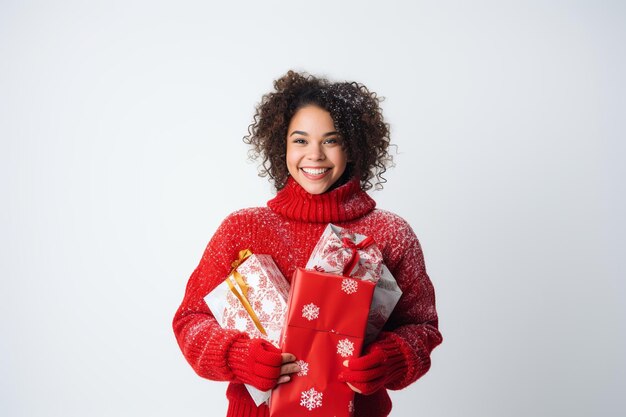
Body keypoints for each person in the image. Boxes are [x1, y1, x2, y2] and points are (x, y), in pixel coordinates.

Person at [172, 70, 442, 417]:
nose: (314, 155)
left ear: (354, 146)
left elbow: (421, 328)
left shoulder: (390, 232)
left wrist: (387, 360)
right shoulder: (244, 228)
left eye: (331, 140)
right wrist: (241, 357)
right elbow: (191, 321)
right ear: (280, 145)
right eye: (300, 140)